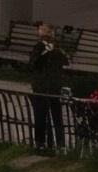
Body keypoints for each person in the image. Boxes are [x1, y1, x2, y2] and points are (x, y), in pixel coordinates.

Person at [25, 20, 69, 151]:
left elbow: (65, 61)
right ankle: (41, 141)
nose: (43, 34)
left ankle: (60, 143)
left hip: (53, 86)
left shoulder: (56, 49)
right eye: (42, 32)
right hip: (41, 86)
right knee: (40, 115)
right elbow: (33, 62)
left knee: (56, 114)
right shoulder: (38, 47)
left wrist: (54, 51)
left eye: (47, 32)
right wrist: (45, 52)